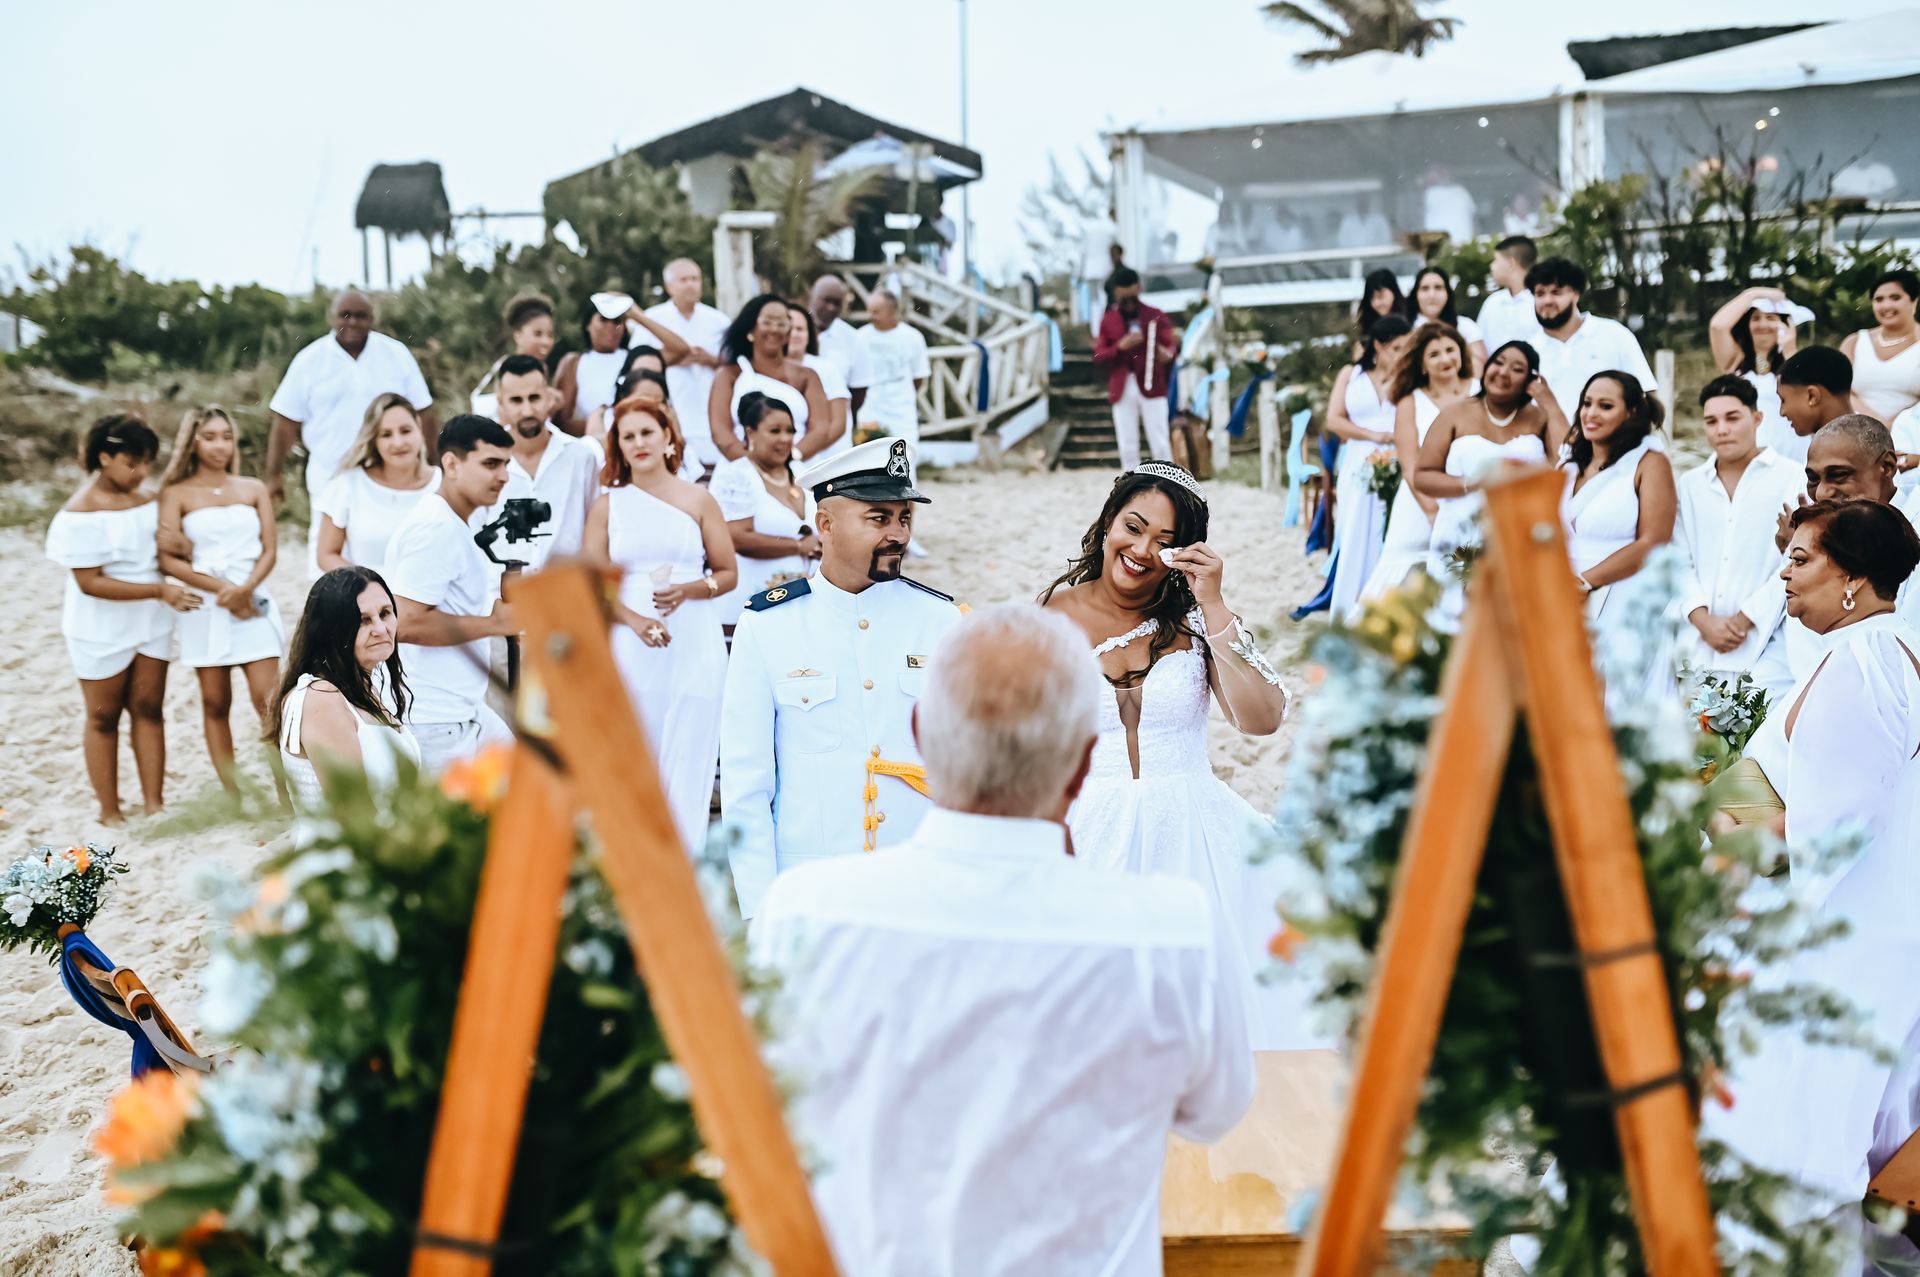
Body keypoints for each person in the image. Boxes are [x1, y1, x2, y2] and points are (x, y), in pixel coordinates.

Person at [753, 603, 1255, 1273]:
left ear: (920, 738)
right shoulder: (1172, 927)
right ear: (1083, 763)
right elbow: (1215, 1109)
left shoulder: (806, 911)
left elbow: (769, 1112)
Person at [1708, 499, 1920, 1246]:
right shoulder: (1898, 649)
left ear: (1855, 578)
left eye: (1802, 559)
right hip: (1885, 922)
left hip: (1843, 933)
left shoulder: (1861, 665)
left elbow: (1832, 832)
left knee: (1808, 1123)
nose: (1785, 573)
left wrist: (1719, 854)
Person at [1043, 464, 1301, 1049]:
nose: (1141, 551)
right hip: (1088, 833)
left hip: (1193, 833)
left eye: (1165, 542)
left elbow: (1262, 720)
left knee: (1204, 1030)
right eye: (1132, 528)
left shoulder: (1193, 622)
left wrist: (1213, 604)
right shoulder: (1052, 617)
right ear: (1107, 523)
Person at [720, 437, 961, 919]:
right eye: (879, 518)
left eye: (905, 518)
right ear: (825, 524)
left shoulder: (941, 622)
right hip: (812, 896)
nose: (898, 534)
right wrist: (759, 910)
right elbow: (747, 786)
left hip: (918, 890)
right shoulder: (768, 625)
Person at [585, 397, 737, 851]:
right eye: (627, 436)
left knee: (690, 744)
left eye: (646, 432)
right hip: (630, 638)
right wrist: (633, 620)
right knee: (635, 743)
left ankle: (684, 855)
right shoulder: (607, 506)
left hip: (694, 633)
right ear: (619, 447)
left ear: (668, 437)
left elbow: (728, 573)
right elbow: (593, 584)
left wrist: (690, 590)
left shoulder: (698, 499)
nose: (638, 443)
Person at [46, 415, 199, 823]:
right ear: (104, 457)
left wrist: (180, 545)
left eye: (147, 462)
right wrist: (160, 591)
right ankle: (109, 810)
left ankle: (154, 803)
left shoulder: (152, 502)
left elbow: (175, 554)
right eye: (133, 462)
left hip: (152, 620)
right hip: (99, 625)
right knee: (104, 717)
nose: (142, 472)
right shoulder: (77, 515)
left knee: (149, 708)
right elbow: (90, 583)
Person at [156, 406, 284, 792]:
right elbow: (167, 560)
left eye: (226, 436)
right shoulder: (176, 493)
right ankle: (233, 795)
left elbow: (270, 550)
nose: (220, 445)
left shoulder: (253, 488)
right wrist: (221, 591)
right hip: (205, 607)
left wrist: (245, 590)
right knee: (215, 702)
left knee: (270, 702)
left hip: (253, 601)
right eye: (209, 436)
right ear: (192, 442)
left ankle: (286, 791)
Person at [384, 415, 519, 773]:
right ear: (451, 464)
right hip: (433, 719)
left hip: (467, 709)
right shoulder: (435, 527)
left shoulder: (462, 520)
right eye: (491, 463)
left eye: (506, 464)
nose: (503, 475)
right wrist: (493, 625)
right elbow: (405, 624)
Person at [265, 289, 435, 572]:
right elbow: (285, 421)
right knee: (327, 554)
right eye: (346, 315)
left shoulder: (395, 354)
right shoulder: (310, 359)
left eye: (361, 315)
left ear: (373, 318)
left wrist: (433, 460)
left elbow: (424, 411)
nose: (353, 322)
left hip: (389, 474)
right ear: (332, 317)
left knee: (385, 543)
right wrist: (274, 475)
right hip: (329, 472)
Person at [1415, 339, 1568, 595]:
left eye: (1517, 369)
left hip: (1520, 533)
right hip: (1460, 532)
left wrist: (1549, 403)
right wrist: (1470, 483)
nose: (1503, 372)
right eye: (1498, 362)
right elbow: (1423, 476)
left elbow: (1566, 462)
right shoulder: (1455, 414)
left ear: (1530, 380)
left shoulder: (1538, 417)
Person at [1675, 376, 1804, 677]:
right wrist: (1702, 619)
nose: (1722, 429)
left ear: (1757, 418)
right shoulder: (1690, 485)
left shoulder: (1792, 477)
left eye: (1732, 418)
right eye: (1711, 421)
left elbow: (1795, 557)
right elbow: (1678, 558)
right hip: (1696, 646)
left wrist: (1748, 618)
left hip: (1768, 644)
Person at [270, 564, 422, 815]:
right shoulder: (319, 699)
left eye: (385, 613)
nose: (381, 629)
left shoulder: (360, 689)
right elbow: (353, 812)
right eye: (363, 621)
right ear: (332, 630)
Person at [1362, 322, 1473, 603]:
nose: (1445, 359)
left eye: (1450, 350)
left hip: (1472, 496)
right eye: (1434, 354)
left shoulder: (1482, 391)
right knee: (1406, 577)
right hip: (1420, 501)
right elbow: (1410, 467)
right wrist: (1433, 514)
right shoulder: (1410, 402)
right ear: (1422, 365)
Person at [1563, 370, 1676, 615]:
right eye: (1587, 403)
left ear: (1631, 413)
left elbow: (1654, 540)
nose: (1591, 413)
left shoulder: (1649, 463)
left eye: (1605, 406)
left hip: (1620, 594)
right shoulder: (1569, 465)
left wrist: (1584, 582)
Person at [1324, 314, 1413, 617]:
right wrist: (1372, 435)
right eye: (1397, 348)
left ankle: (1387, 607)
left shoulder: (1408, 378)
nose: (1402, 355)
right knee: (1353, 532)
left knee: (1389, 531)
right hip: (1357, 460)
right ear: (1379, 346)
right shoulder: (1351, 374)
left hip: (1399, 459)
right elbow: (1334, 420)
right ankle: (1351, 608)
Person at [709, 392, 819, 631]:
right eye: (775, 431)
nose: (785, 438)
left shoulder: (802, 472)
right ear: (750, 433)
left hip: (806, 602)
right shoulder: (736, 475)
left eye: (790, 431)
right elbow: (736, 536)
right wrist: (798, 546)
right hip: (752, 600)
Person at [482, 354, 602, 571]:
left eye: (534, 398)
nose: (527, 410)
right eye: (516, 400)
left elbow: (596, 533)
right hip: (501, 598)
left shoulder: (581, 457)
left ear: (548, 398)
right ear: (500, 403)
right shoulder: (483, 463)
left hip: (566, 594)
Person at [314, 393, 441, 573]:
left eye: (405, 431)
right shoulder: (348, 485)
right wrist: (367, 585)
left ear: (419, 430)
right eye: (386, 434)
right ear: (374, 439)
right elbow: (326, 555)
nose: (398, 442)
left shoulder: (444, 484)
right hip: (371, 597)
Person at [631, 258, 731, 475]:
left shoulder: (718, 320)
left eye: (695, 279)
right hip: (673, 410)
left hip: (711, 413)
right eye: (684, 279)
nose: (690, 284)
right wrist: (674, 357)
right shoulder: (653, 318)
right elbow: (636, 366)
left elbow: (736, 363)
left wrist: (710, 359)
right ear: (669, 287)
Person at [1525, 257, 1658, 416]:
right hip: (1548, 440)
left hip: (1611, 439)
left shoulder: (1614, 335)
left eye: (1556, 292)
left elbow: (1647, 394)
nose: (1547, 300)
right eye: (1540, 294)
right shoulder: (1527, 351)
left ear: (1575, 294)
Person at [709, 294, 830, 465]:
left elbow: (820, 429)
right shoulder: (729, 375)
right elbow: (720, 432)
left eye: (781, 324)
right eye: (767, 322)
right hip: (742, 467)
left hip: (797, 468)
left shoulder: (807, 376)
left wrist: (789, 459)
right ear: (751, 330)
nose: (774, 329)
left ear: (788, 332)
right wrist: (753, 463)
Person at [553, 292, 690, 438]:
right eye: (604, 319)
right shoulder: (575, 362)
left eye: (617, 321)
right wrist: (603, 425)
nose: (611, 327)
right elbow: (562, 420)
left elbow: (681, 350)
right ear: (588, 324)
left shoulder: (636, 359)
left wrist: (638, 316)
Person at [1093, 267, 1179, 472]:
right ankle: (1130, 486)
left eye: (1131, 295)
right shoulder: (1109, 319)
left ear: (1139, 289)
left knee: (1159, 441)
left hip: (1152, 382)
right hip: (1122, 384)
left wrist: (1167, 354)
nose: (1128, 301)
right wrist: (1119, 347)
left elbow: (1170, 345)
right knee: (1127, 444)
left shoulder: (1155, 314)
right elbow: (1099, 355)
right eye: (1123, 297)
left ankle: (1169, 484)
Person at [1708, 286, 1801, 459]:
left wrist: (1790, 348)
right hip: (1748, 457)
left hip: (1792, 456)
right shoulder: (1735, 359)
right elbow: (1718, 326)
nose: (1763, 324)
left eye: (1770, 318)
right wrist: (1753, 294)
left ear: (1785, 323)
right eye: (1756, 318)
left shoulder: (1795, 358)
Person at [1842, 269, 1920, 423]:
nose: (1886, 306)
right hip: (1858, 430)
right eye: (1879, 300)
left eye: (1895, 298)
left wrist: (1896, 425)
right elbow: (1839, 391)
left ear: (1914, 301)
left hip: (1912, 433)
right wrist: (1877, 423)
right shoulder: (1854, 342)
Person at [855, 289, 931, 445]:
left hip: (902, 414)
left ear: (892, 311)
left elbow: (919, 377)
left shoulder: (913, 337)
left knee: (903, 460)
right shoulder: (860, 336)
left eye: (876, 312)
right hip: (870, 411)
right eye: (869, 311)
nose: (871, 316)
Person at [468, 293, 557, 419]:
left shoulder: (544, 369)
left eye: (550, 335)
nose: (546, 341)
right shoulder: (505, 369)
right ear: (518, 335)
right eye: (538, 334)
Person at [784, 298, 852, 458]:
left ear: (809, 334)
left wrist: (800, 453)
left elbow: (838, 424)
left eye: (800, 329)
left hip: (826, 460)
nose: (794, 334)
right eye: (789, 328)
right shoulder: (764, 370)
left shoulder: (827, 368)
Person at [1775, 345, 1856, 463]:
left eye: (1783, 400)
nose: (1782, 412)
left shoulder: (1866, 449)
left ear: (1812, 396)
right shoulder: (1807, 444)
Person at [808, 274, 872, 417]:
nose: (831, 307)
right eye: (826, 300)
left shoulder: (854, 339)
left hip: (837, 424)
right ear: (813, 295)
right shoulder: (795, 330)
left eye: (837, 303)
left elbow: (859, 391)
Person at [1410, 266, 1486, 375]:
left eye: (1438, 287)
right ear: (1415, 294)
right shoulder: (1405, 329)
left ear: (1448, 293)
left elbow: (1479, 369)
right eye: (1425, 288)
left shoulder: (1466, 326)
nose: (1432, 295)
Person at [1475, 235, 1539, 354]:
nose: (1492, 266)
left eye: (1495, 260)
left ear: (1511, 263)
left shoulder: (1541, 302)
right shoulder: (1492, 303)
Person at [1352, 267, 1409, 358]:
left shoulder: (1410, 322)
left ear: (1393, 292)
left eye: (1381, 296)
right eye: (1372, 298)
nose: (1376, 303)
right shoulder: (1367, 329)